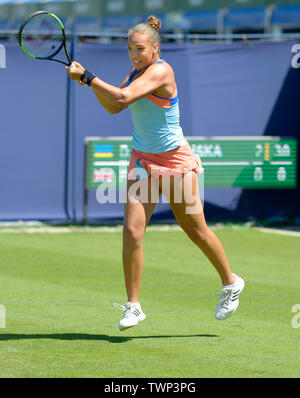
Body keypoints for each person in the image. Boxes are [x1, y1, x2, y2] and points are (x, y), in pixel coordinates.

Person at [66, 15, 245, 331]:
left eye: (139, 49)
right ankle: (133, 306)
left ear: (155, 47)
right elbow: (114, 107)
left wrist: (87, 77)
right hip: (143, 162)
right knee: (133, 232)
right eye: (130, 49)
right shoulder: (136, 72)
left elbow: (121, 97)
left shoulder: (162, 70)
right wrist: (89, 83)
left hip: (175, 162)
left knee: (195, 230)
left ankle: (231, 283)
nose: (134, 55)